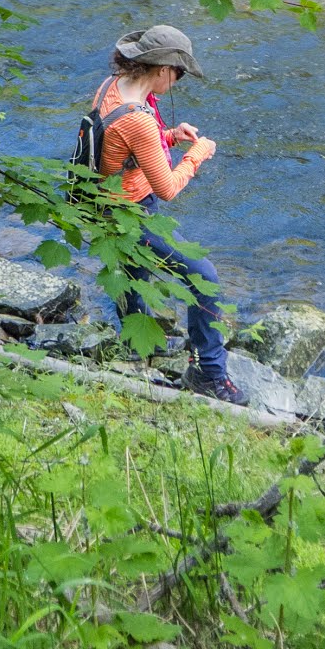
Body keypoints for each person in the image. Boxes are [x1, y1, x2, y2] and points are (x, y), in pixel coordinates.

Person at [88, 25, 245, 405]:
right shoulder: (139, 118)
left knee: (133, 270)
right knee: (203, 275)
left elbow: (125, 146)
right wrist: (197, 153)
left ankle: (132, 342)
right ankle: (209, 372)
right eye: (180, 73)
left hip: (106, 207)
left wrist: (172, 135)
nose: (180, 80)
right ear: (161, 68)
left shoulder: (114, 86)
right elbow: (169, 189)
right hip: (132, 211)